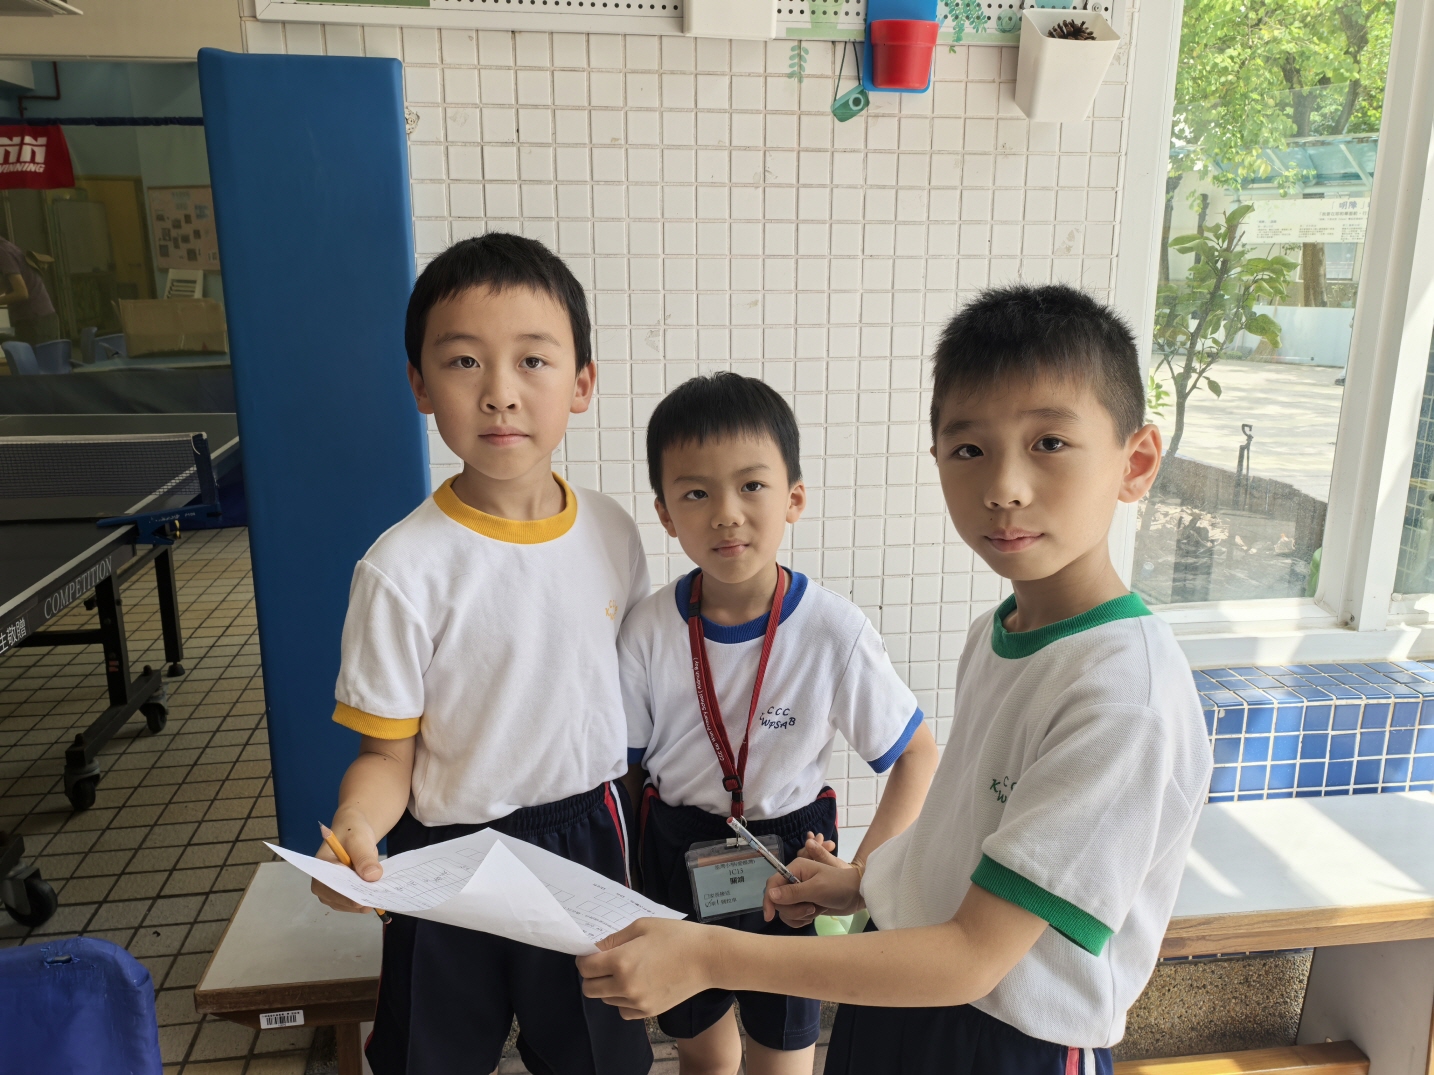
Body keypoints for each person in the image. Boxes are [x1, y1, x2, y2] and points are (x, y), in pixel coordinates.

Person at [577, 284, 1214, 1075]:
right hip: (901, 989)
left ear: (1136, 462)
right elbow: (959, 831)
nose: (1004, 486)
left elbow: (973, 956)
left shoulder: (1124, 698)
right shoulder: (1001, 632)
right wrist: (861, 882)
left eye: (1049, 442)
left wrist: (708, 955)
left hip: (1001, 1040)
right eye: (969, 449)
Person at [310, 232, 653, 1075]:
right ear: (421, 385)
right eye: (464, 361)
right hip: (445, 854)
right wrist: (356, 828)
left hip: (588, 836)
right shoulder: (400, 569)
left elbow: (638, 702)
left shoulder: (614, 533)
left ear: (582, 383)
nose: (500, 392)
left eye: (532, 360)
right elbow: (386, 755)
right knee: (429, 1058)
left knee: (597, 1058)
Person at [621, 373, 939, 1075]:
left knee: (784, 1057)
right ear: (665, 513)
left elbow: (916, 754)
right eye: (696, 493)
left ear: (794, 497)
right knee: (703, 1052)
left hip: (787, 861)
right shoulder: (647, 628)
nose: (726, 514)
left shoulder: (833, 631)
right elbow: (629, 767)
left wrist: (862, 873)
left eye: (752, 486)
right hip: (676, 850)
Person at [0, 235, 60, 345]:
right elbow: (8, 283)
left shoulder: (3, 252)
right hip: (39, 318)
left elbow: (21, 293)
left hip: (34, 320)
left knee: (33, 356)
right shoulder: (8, 247)